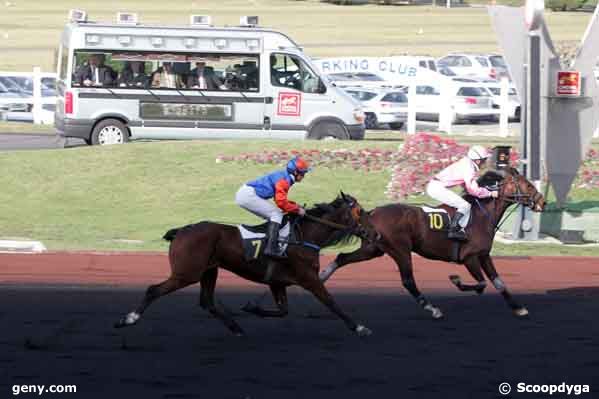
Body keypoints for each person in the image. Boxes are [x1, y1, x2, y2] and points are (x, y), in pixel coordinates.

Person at [235, 156, 311, 258]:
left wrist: (295, 206)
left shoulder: (286, 177)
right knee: (276, 214)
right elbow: (281, 202)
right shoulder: (284, 180)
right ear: (295, 172)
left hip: (246, 193)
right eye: (303, 173)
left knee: (276, 214)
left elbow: (280, 199)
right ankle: (270, 248)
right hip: (247, 195)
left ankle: (269, 242)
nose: (304, 175)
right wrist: (297, 210)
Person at [425, 145, 498, 241]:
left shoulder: (467, 163)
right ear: (478, 160)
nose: (485, 162)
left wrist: (483, 189)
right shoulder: (469, 168)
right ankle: (453, 230)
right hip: (436, 188)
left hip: (435, 186)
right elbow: (473, 190)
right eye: (484, 160)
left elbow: (467, 185)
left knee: (462, 203)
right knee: (465, 205)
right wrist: (490, 194)